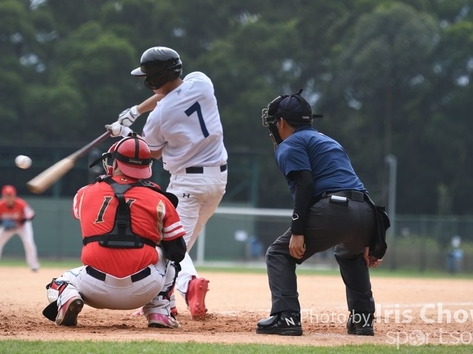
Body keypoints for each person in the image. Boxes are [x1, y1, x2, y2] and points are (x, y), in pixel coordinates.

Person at [106, 46, 227, 320]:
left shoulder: (159, 118)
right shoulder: (201, 81)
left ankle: (186, 287)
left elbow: (151, 152)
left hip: (186, 184)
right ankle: (168, 297)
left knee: (167, 244)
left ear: (153, 79)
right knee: (181, 245)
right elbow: (169, 94)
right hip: (218, 180)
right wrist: (136, 110)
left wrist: (126, 132)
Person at [256, 90, 390, 336]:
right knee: (351, 254)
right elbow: (353, 184)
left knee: (278, 253)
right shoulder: (328, 141)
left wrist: (298, 231)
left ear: (282, 122)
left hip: (334, 209)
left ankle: (286, 318)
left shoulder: (290, 144)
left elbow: (305, 185)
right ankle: (363, 320)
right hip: (366, 209)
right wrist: (372, 237)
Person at [41, 134, 187, 328]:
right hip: (144, 289)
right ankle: (159, 312)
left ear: (113, 162)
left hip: (94, 287)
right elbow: (178, 252)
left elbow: (79, 213)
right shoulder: (161, 199)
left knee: (60, 282)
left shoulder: (84, 194)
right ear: (147, 166)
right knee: (167, 256)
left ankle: (68, 297)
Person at [0, 185, 39, 272]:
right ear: (3, 196)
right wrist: (4, 223)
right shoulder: (0, 205)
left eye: (10, 195)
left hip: (23, 226)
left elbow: (31, 215)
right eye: (7, 195)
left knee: (29, 243)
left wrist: (18, 223)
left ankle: (34, 266)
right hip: (7, 228)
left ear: (14, 196)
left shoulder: (21, 203)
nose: (9, 197)